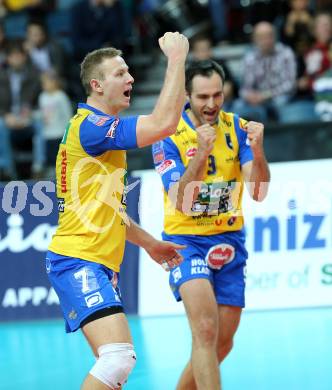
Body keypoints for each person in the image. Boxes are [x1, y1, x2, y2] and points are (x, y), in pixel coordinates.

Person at [46, 31, 189, 390]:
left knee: (113, 369)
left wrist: (150, 244)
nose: (131, 78)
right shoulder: (94, 129)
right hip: (79, 259)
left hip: (93, 260)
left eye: (129, 71)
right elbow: (164, 125)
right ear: (97, 85)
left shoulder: (97, 132)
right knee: (117, 359)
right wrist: (175, 58)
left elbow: (111, 210)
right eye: (120, 73)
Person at [152, 59, 270, 390]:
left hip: (230, 240)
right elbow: (183, 201)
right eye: (203, 97)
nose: (211, 104)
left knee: (222, 342)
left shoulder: (237, 128)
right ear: (187, 95)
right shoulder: (168, 135)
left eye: (217, 95)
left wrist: (258, 152)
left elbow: (258, 192)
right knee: (205, 329)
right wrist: (201, 154)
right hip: (185, 242)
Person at [234, 21, 297, 122]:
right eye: (261, 37)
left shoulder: (286, 53)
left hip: (278, 96)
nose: (266, 40)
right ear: (254, 39)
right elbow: (244, 87)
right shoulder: (249, 57)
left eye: (269, 36)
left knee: (280, 103)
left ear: (275, 37)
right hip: (257, 98)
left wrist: (265, 95)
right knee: (238, 106)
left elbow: (290, 84)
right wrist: (249, 96)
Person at [37, 70, 73, 176]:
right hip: (48, 133)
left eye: (46, 82)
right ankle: (52, 177)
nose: (44, 85)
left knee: (61, 159)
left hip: (60, 133)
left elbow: (68, 115)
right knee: (50, 158)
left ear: (54, 82)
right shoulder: (42, 97)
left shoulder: (61, 97)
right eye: (42, 83)